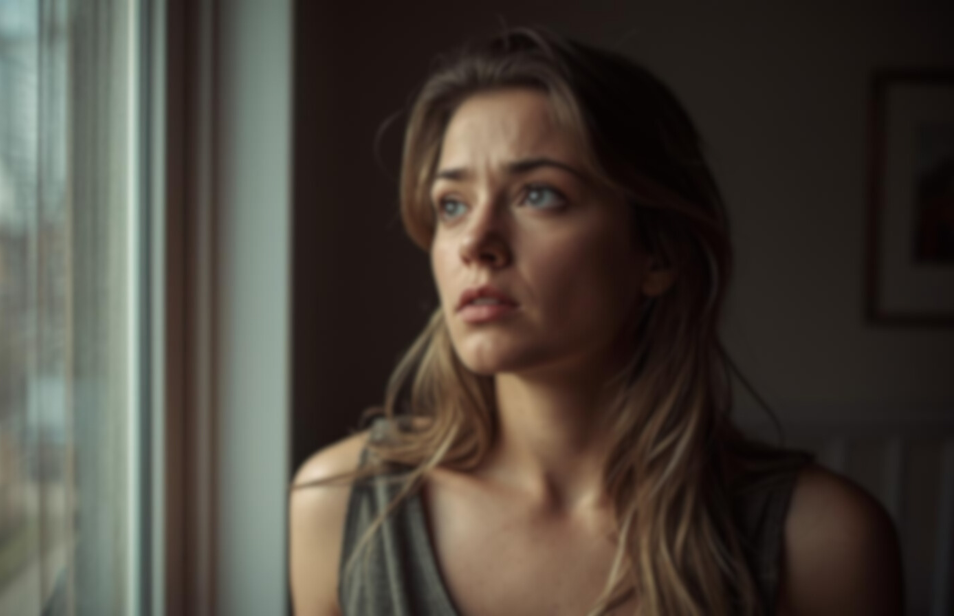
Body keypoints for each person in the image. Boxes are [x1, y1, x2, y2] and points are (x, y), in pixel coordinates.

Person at [289, 27, 903, 616]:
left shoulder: (822, 545)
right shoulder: (340, 508)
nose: (475, 241)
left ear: (657, 253)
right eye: (452, 204)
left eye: (538, 194)